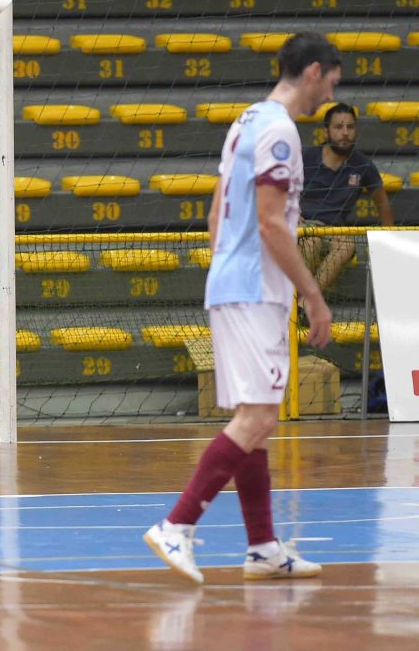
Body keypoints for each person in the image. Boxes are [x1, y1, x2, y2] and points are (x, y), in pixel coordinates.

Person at [142, 32, 339, 584]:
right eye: (331, 82)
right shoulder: (280, 132)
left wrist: (227, 267)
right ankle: (177, 525)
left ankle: (262, 547)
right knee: (259, 417)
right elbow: (272, 223)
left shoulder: (246, 121)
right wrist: (313, 295)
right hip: (253, 289)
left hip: (234, 282)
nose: (331, 95)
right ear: (313, 72)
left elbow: (215, 214)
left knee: (256, 418)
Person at [300, 102, 395, 293]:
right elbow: (278, 189)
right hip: (301, 225)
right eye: (338, 127)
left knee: (347, 245)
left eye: (350, 127)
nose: (345, 133)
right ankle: (299, 301)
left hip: (333, 229)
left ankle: (305, 303)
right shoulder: (305, 157)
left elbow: (382, 202)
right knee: (311, 242)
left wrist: (390, 240)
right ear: (326, 132)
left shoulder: (362, 165)